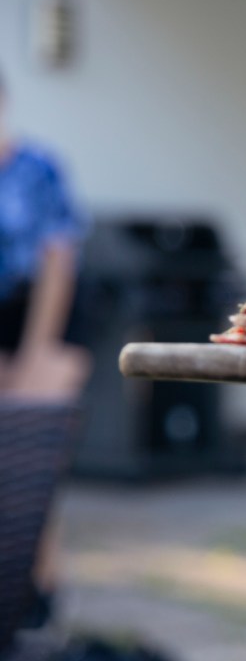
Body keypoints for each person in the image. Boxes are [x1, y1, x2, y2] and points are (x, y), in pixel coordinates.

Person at [0, 67, 91, 634]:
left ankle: (41, 592)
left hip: (50, 318)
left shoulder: (38, 167)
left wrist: (34, 354)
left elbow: (59, 265)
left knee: (32, 460)